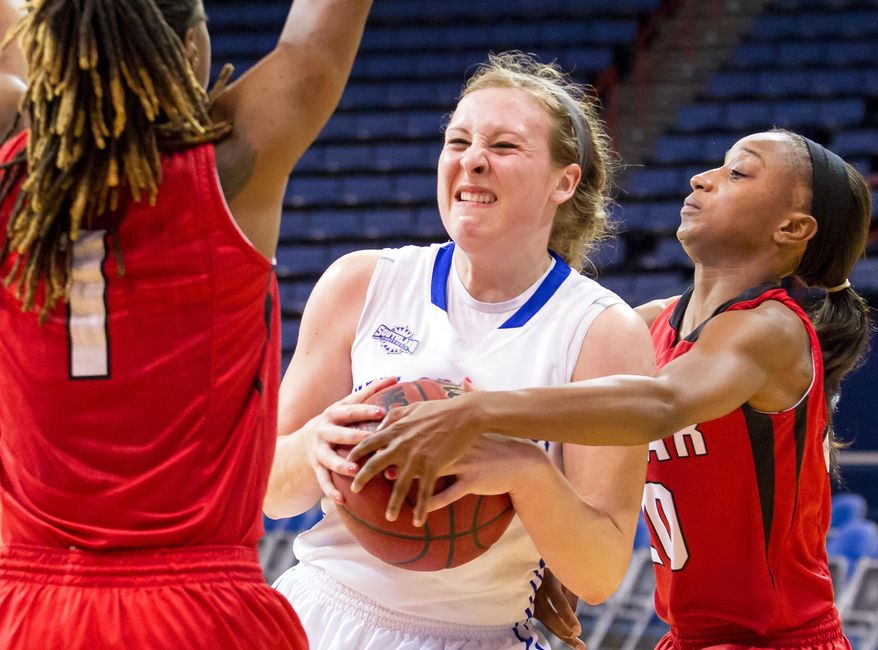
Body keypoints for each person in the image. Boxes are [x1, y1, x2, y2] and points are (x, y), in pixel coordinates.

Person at [351, 129, 873, 648]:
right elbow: (590, 430)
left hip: (778, 640)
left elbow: (660, 404)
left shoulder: (771, 329)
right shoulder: (652, 323)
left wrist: (478, 411)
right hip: (688, 635)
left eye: (737, 173)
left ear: (793, 227)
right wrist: (553, 551)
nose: (702, 178)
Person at [0, 0, 371, 647]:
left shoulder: (9, 167)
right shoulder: (229, 166)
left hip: (32, 612)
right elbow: (315, 42)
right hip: (197, 611)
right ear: (190, 46)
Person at [264, 52, 656, 649]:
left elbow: (599, 574)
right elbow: (271, 492)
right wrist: (317, 441)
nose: (472, 160)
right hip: (318, 610)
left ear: (563, 181)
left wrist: (524, 472)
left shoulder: (602, 333)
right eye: (458, 141)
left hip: (480, 632)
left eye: (503, 146)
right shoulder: (361, 282)